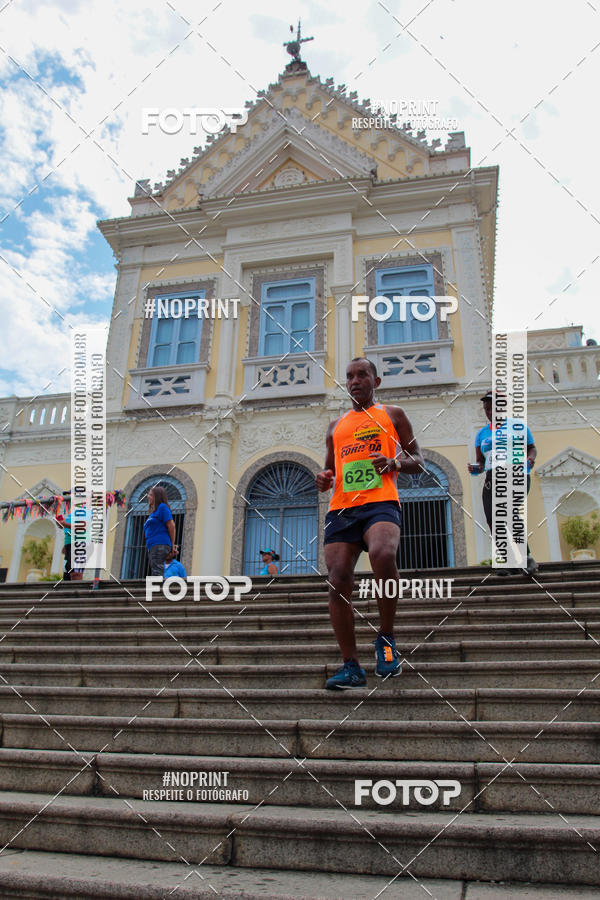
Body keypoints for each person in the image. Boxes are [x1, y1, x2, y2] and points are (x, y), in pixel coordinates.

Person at [316, 357, 425, 690]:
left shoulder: (392, 415)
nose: (355, 381)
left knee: (383, 554)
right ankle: (351, 666)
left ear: (376, 381)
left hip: (380, 502)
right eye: (350, 376)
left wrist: (394, 463)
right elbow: (330, 470)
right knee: (338, 579)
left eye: (362, 375)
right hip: (342, 509)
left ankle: (386, 639)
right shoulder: (335, 426)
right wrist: (324, 478)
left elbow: (418, 461)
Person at [468, 390, 538, 575]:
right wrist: (475, 468)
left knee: (508, 513)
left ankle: (527, 558)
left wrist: (530, 459)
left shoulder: (518, 426)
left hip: (516, 474)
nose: (490, 412)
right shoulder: (481, 434)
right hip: (492, 478)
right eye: (487, 408)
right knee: (493, 519)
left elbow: (531, 448)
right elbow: (481, 462)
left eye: (494, 408)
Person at [144, 486, 175, 577]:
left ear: (157, 497)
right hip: (154, 546)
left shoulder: (162, 507)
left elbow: (171, 525)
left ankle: (158, 587)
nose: (148, 496)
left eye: (150, 495)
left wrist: (172, 545)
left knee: (157, 573)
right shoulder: (154, 512)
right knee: (156, 571)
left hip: (159, 545)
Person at [55, 510, 73, 581]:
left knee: (73, 571)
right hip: (68, 543)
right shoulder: (70, 514)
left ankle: (75, 587)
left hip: (77, 543)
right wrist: (60, 524)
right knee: (66, 570)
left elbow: (82, 527)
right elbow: (66, 528)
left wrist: (65, 524)